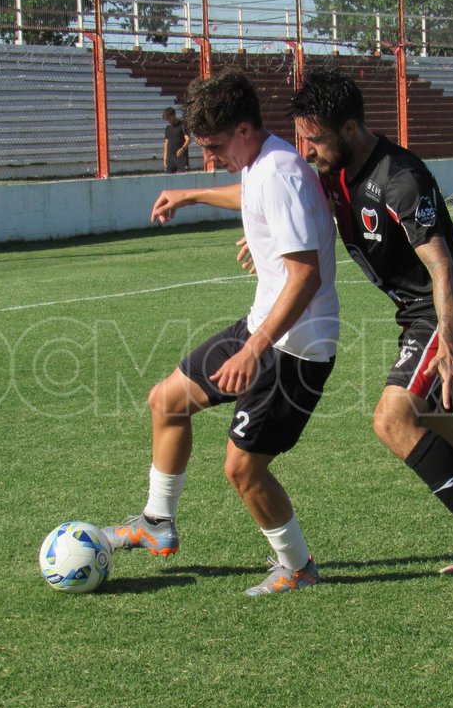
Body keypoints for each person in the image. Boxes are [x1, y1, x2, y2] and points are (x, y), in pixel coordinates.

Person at [285, 67, 453, 603]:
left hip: (451, 308)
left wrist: (450, 352)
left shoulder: (400, 179)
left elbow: (441, 269)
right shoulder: (333, 170)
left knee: (392, 420)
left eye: (315, 139)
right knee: (442, 436)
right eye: (302, 138)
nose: (307, 151)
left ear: (349, 129)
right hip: (416, 313)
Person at [103, 69, 340, 597]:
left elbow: (306, 276)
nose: (209, 156)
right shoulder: (260, 161)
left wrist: (253, 351)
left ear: (244, 129)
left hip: (294, 347)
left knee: (243, 471)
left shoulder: (279, 172)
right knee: (167, 400)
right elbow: (247, 196)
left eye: (213, 146)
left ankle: (298, 567)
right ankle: (156, 522)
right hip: (264, 326)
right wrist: (191, 195)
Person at [162, 106, 191, 173]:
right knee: (169, 180)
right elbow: (166, 143)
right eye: (167, 119)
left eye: (170, 118)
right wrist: (165, 157)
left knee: (183, 180)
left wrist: (182, 149)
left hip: (181, 158)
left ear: (174, 115)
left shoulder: (182, 125)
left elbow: (188, 139)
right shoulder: (168, 128)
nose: (169, 121)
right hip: (170, 159)